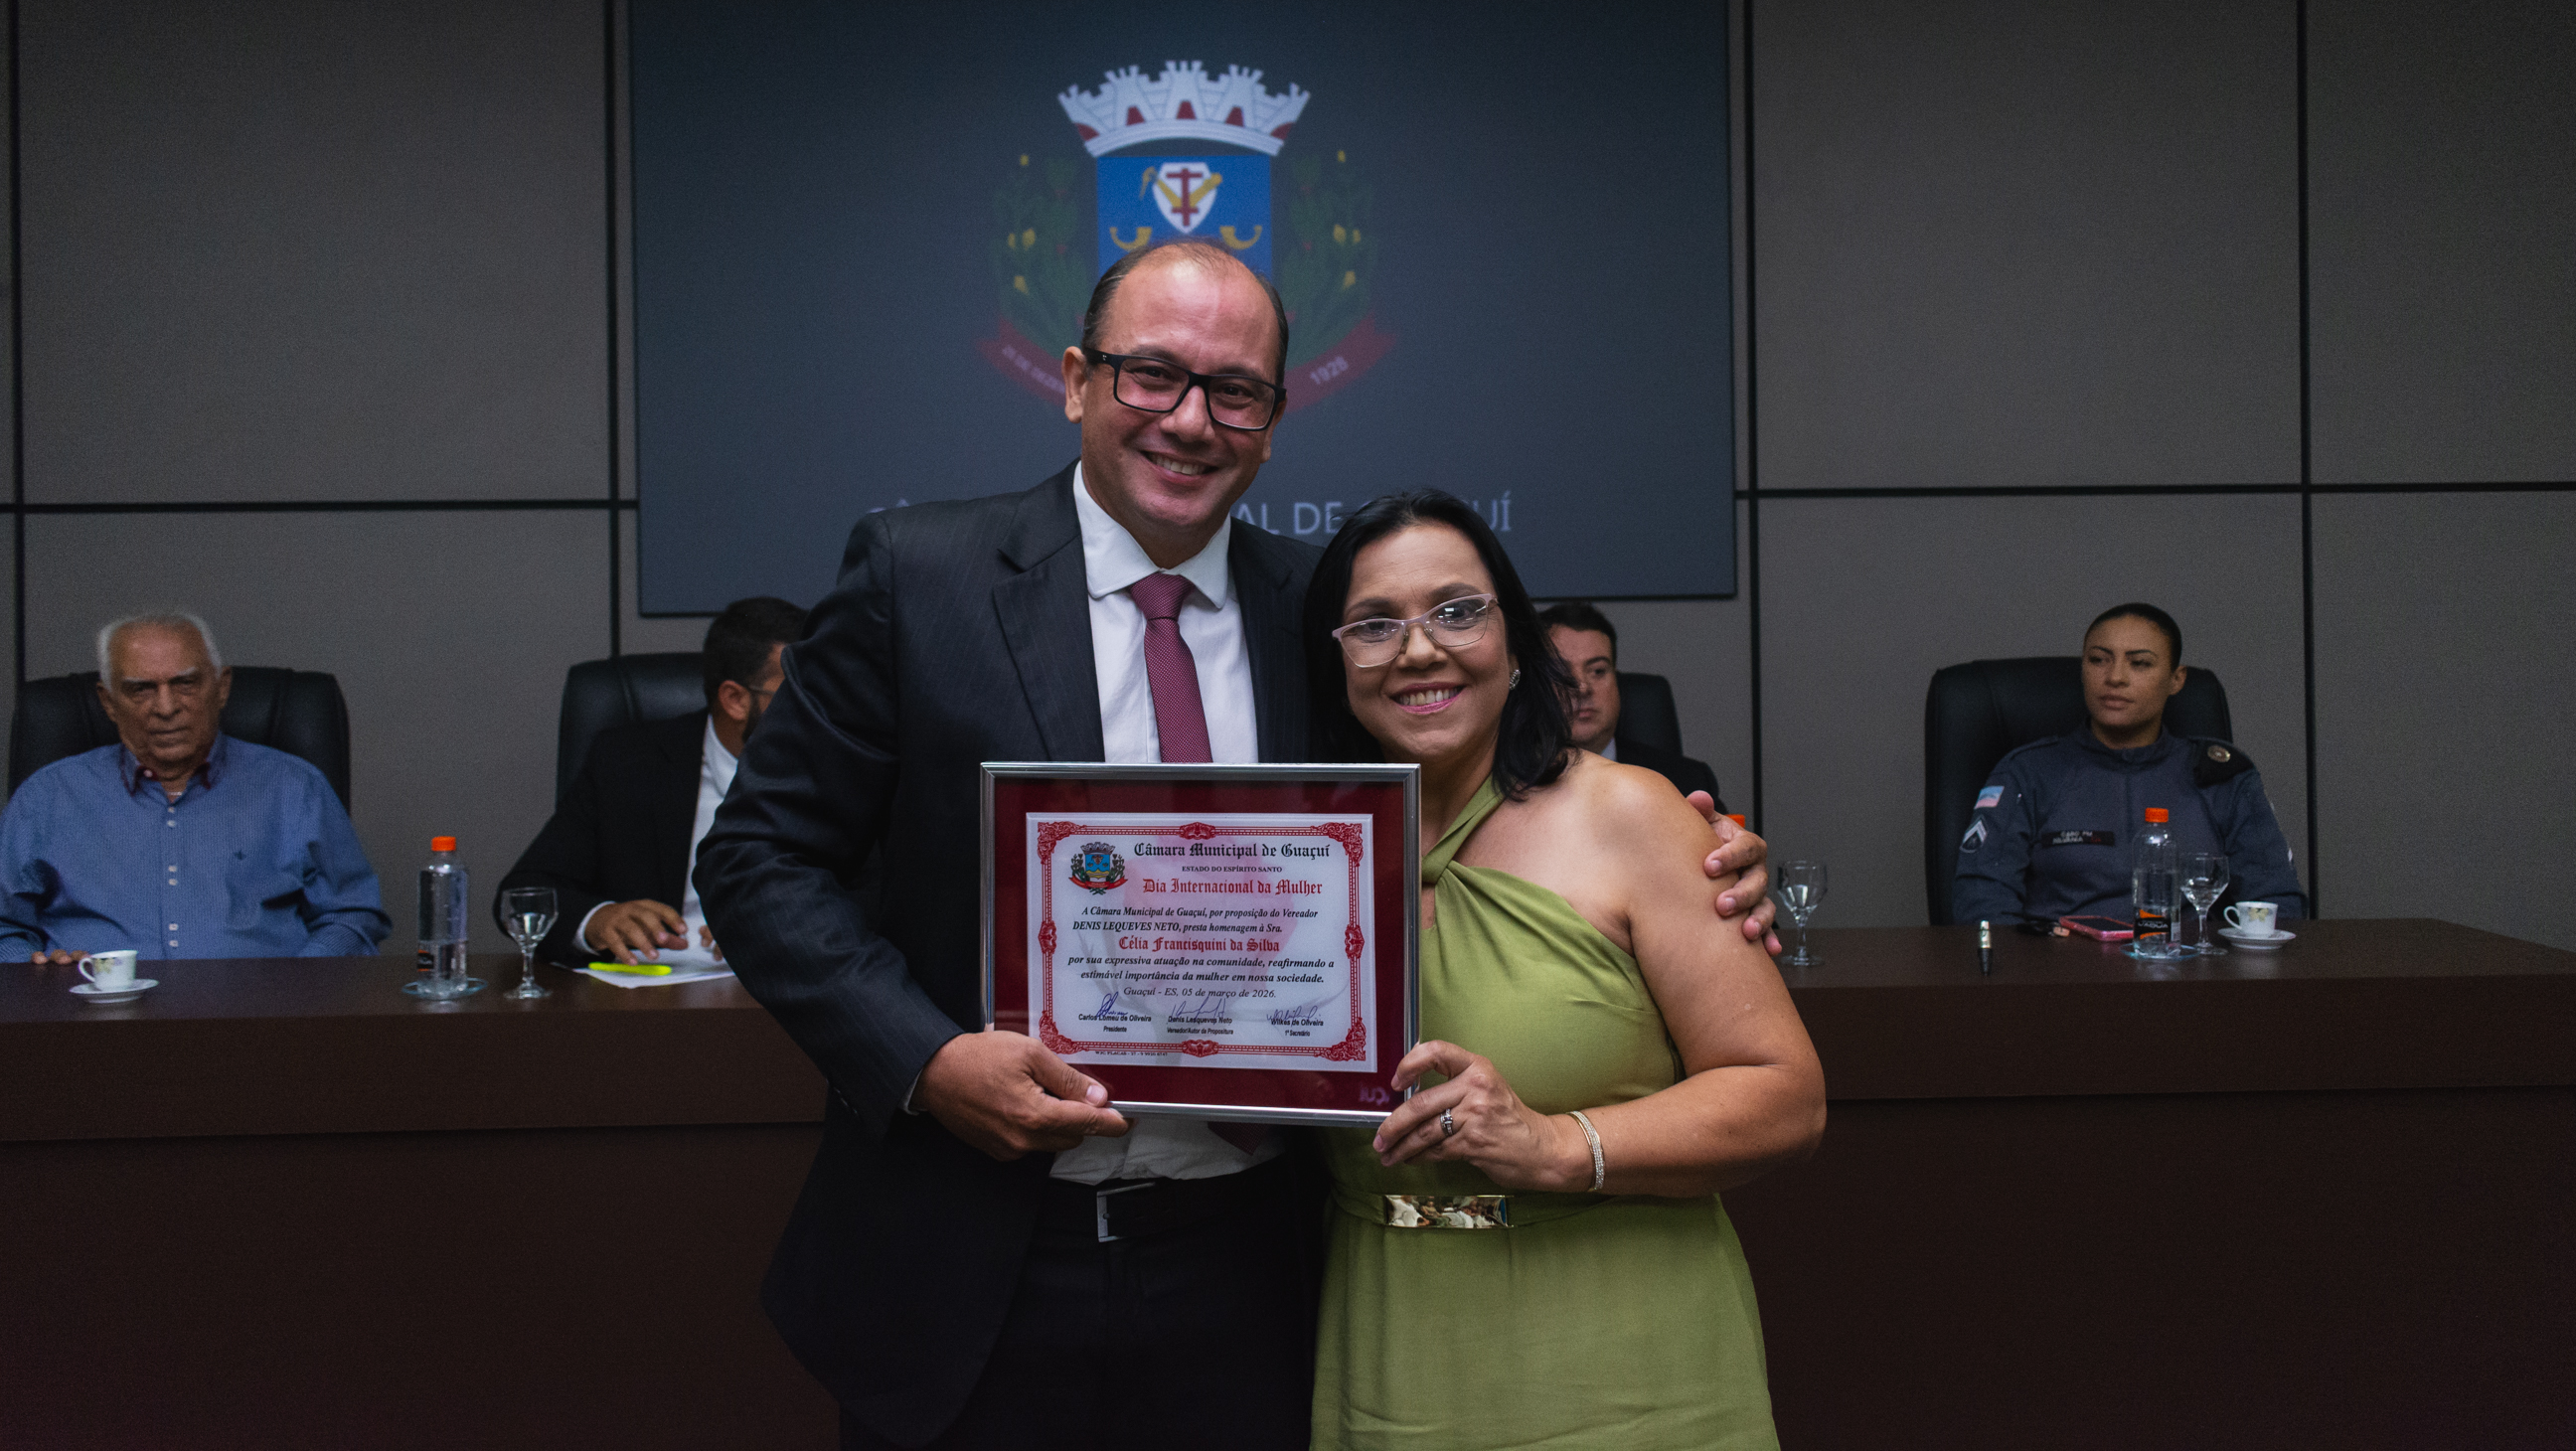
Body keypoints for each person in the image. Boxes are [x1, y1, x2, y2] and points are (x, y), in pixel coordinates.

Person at [691, 239, 1781, 1451]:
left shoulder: (1326, 614)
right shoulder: (920, 575)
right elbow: (757, 859)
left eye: (1234, 390)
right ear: (1075, 381)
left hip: (1254, 1265)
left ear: (1272, 420)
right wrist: (929, 1058)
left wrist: (1694, 845)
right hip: (968, 1259)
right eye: (1151, 374)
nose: (1189, 419)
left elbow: (1478, 803)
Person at [1304, 491, 1825, 1449]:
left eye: (1458, 610)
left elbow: (1785, 1097)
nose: (1419, 650)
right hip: (1390, 1338)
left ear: (1514, 639)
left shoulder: (1631, 813)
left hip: (1622, 1347)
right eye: (1375, 623)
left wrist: (1555, 1144)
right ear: (1335, 659)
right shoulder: (1299, 851)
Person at [0, 610, 389, 964]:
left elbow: (351, 916)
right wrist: (35, 976)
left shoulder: (294, 788)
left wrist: (298, 987)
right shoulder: (46, 797)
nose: (166, 708)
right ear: (108, 702)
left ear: (222, 687)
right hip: (93, 1017)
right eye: (141, 689)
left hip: (262, 1017)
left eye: (185, 683)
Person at [1951, 601, 2306, 928]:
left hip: (2189, 968)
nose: (2115, 677)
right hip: (2060, 969)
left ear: (2176, 679)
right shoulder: (2028, 773)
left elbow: (2277, 902)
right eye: (2098, 660)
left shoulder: (2223, 776)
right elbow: (1983, 904)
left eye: (2140, 663)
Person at [496, 595, 805, 966]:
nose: (819, 711)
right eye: (799, 694)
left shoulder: (844, 769)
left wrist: (792, 922)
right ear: (735, 699)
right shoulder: (627, 763)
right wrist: (597, 920)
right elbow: (523, 895)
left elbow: (865, 899)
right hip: (656, 987)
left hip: (795, 987)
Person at [1542, 599, 1726, 810]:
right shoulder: (1518, 786)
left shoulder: (1688, 784)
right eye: (1560, 673)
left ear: (1617, 680)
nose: (1582, 688)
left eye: (1598, 671)